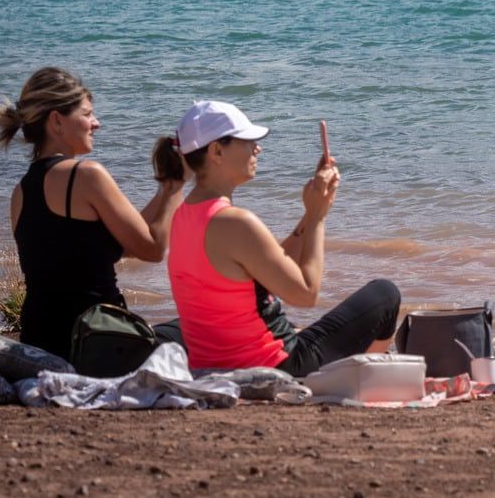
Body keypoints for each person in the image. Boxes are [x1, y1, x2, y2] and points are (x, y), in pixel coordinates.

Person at [153, 100, 400, 377]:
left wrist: (311, 211)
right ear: (217, 150)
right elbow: (306, 293)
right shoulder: (236, 222)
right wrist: (318, 218)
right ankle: (364, 379)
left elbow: (268, 267)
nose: (257, 148)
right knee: (385, 294)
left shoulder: (184, 215)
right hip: (279, 364)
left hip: (212, 365)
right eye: (247, 141)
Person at [0, 67, 185, 361]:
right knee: (196, 328)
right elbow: (153, 249)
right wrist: (176, 188)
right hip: (98, 343)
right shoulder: (87, 174)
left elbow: (105, 250)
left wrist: (164, 187)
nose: (97, 123)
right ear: (57, 121)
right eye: (88, 114)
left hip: (41, 343)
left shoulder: (21, 192)